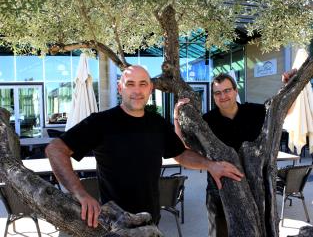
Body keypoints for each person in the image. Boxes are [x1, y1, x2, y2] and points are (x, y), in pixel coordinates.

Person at [45, 65, 243, 229]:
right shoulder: (101, 123)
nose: (137, 90)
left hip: (150, 221)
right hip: (114, 223)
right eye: (130, 84)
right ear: (120, 88)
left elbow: (181, 154)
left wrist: (211, 165)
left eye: (143, 84)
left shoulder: (158, 123)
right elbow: (55, 149)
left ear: (150, 89)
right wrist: (80, 194)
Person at [174, 70, 296, 237]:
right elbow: (183, 146)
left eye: (227, 90)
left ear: (235, 91)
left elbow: (284, 110)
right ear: (213, 96)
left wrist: (289, 86)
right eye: (217, 93)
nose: (223, 96)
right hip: (219, 190)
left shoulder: (253, 111)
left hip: (254, 188)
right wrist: (176, 117)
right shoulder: (207, 121)